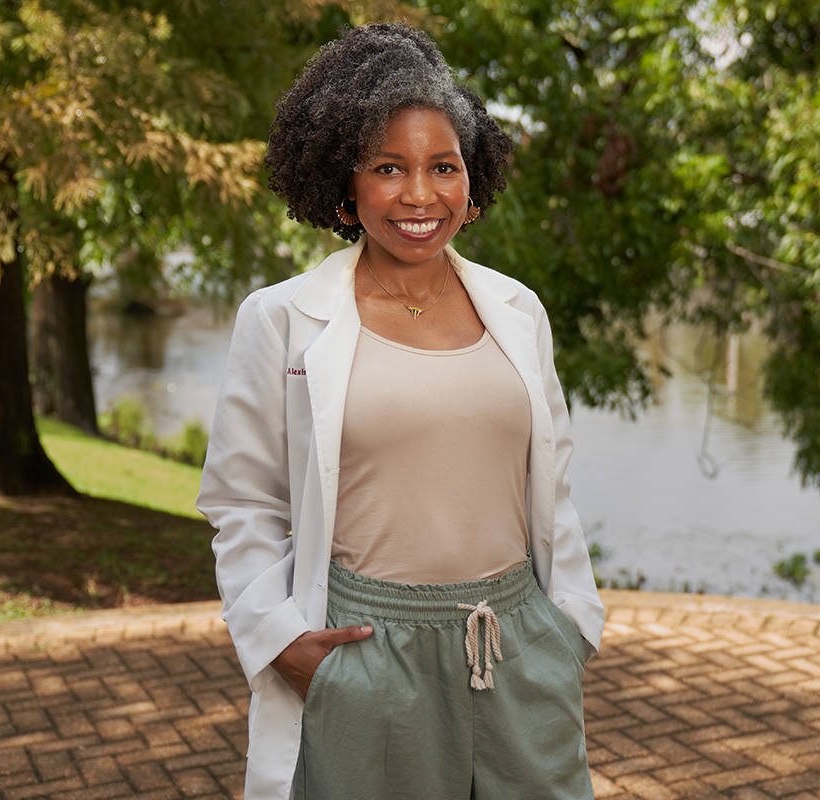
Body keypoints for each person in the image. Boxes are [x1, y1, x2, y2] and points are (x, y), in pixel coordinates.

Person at [196, 22, 605, 800]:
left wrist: (569, 629)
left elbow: (552, 480)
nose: (421, 194)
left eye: (443, 167)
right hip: (368, 653)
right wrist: (281, 643)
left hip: (517, 645)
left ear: (471, 181)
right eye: (390, 168)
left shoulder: (517, 310)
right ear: (345, 187)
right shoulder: (281, 319)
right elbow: (241, 501)